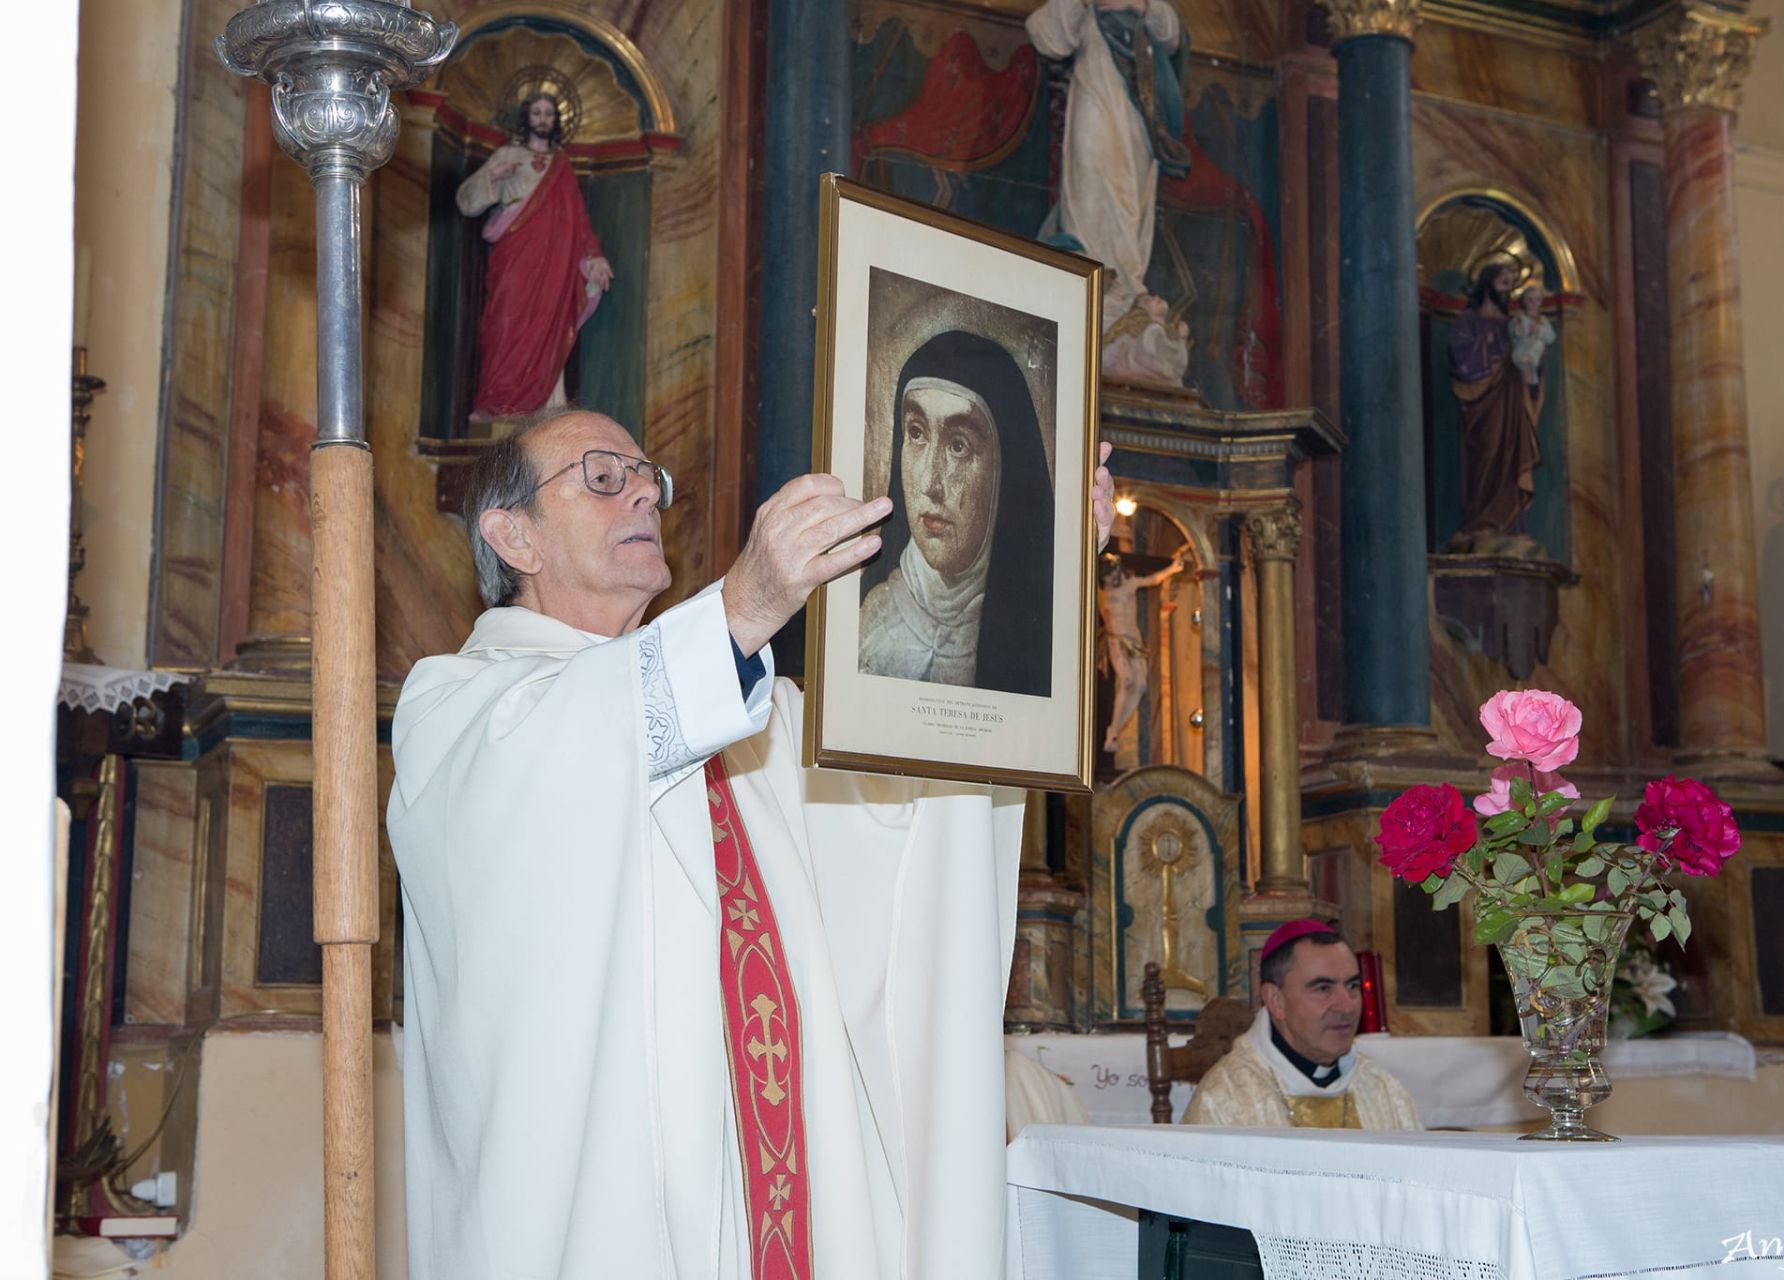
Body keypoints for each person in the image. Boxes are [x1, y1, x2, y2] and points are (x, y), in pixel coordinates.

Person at [387, 406, 1116, 1279]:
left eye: (648, 479)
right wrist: (741, 607)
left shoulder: (758, 714)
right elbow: (572, 743)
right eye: (602, 477)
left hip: (791, 1206)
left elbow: (915, 832)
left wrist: (1037, 581)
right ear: (513, 538)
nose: (645, 499)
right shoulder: (458, 709)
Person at [858, 329, 1054, 696]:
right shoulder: (869, 621)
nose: (931, 484)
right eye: (916, 434)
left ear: (1003, 471)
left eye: (959, 446)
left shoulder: (1040, 635)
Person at [1027, 0, 1192, 385]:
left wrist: (1142, 6)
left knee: (1131, 201)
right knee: (1092, 180)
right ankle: (1099, 286)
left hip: (1139, 117)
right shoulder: (1087, 15)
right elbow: (1046, 35)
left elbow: (1173, 33)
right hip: (1093, 97)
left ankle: (1127, 286)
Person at [456, 92, 614, 419]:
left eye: (548, 114)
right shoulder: (507, 154)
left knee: (547, 325)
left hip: (555, 263)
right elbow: (466, 202)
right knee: (506, 321)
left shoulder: (562, 166)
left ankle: (541, 407)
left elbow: (579, 221)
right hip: (515, 254)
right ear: (527, 117)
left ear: (555, 121)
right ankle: (497, 402)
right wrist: (492, 177)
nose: (542, 119)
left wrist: (595, 257)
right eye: (537, 112)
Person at [1182, 921, 1420, 1130]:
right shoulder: (1225, 1100)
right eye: (1323, 989)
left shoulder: (1380, 1087)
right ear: (1276, 1001)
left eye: (1352, 987)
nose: (1346, 1007)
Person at [1446, 258, 1542, 555]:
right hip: (1483, 403)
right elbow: (1458, 354)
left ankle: (1510, 525)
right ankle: (1479, 523)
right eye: (1503, 282)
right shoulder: (1469, 320)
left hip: (1512, 399)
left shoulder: (1513, 324)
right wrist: (1492, 358)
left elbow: (1532, 355)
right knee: (1486, 454)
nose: (1507, 289)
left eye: (1511, 285)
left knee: (1512, 456)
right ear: (1488, 282)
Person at [1096, 546, 1186, 753]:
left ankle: (1115, 729)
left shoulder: (1129, 585)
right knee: (1127, 680)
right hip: (1116, 639)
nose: (1110, 582)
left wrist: (1173, 569)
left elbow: (1153, 580)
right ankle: (1112, 732)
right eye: (1106, 579)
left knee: (1141, 685)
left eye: (1112, 577)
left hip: (1133, 639)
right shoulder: (1101, 593)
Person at [1507, 283, 1556, 388]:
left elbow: (1551, 337)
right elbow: (1514, 333)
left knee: (1538, 344)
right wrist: (1519, 324)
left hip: (1535, 351)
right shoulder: (1520, 317)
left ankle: (1530, 370)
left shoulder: (1542, 320)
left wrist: (1539, 330)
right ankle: (1526, 369)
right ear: (1524, 301)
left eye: (1537, 299)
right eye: (1530, 300)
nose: (1534, 303)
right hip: (1522, 347)